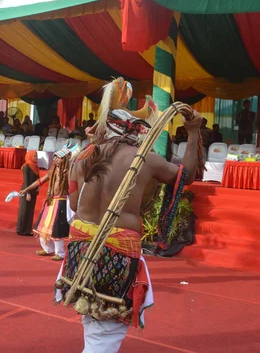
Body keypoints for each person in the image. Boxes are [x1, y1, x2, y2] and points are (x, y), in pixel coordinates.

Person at [57, 78, 202, 352]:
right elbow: (188, 175)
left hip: (79, 243)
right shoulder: (143, 158)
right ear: (137, 131)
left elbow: (74, 203)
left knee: (92, 312)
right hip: (117, 249)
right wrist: (193, 132)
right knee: (107, 326)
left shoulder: (84, 155)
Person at [20, 145, 75, 260]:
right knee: (42, 226)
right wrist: (27, 189)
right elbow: (40, 182)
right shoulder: (52, 171)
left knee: (56, 229)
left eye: (58, 158)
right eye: (55, 157)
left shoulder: (68, 173)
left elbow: (73, 187)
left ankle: (59, 253)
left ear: (64, 160)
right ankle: (48, 249)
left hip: (61, 201)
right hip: (50, 201)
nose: (55, 159)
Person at [16, 151, 40, 236]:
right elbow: (26, 181)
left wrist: (38, 187)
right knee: (24, 210)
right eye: (34, 156)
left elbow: (37, 178)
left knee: (30, 211)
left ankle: (27, 229)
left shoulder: (35, 166)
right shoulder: (26, 166)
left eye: (36, 156)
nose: (36, 158)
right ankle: (21, 229)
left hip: (33, 191)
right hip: (26, 191)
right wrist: (27, 192)